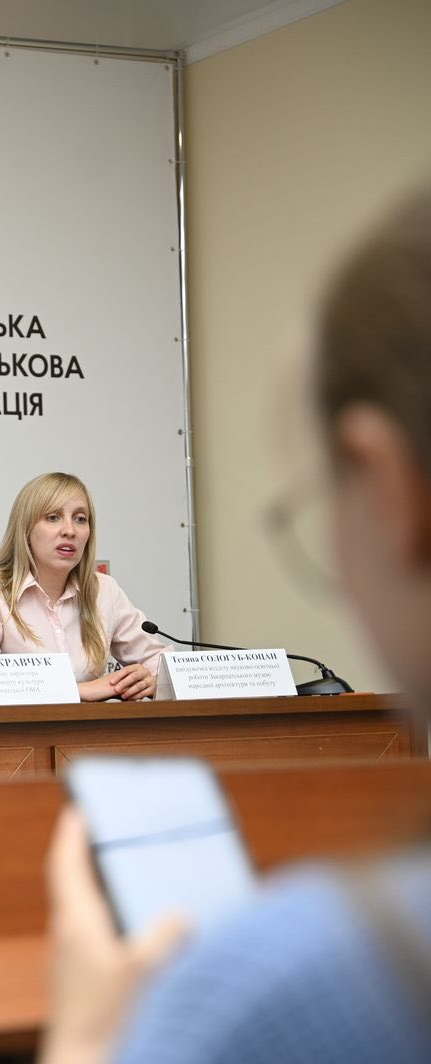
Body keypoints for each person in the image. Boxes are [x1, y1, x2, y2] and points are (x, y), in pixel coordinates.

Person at [41, 183, 431, 1063]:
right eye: (56, 518)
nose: (71, 532)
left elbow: (154, 654)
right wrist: (89, 689)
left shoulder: (271, 989)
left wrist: (87, 1035)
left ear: (389, 491)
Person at [0, 472, 166, 701]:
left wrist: (152, 681)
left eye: (80, 519)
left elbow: (160, 665)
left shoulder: (104, 590)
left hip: (94, 724)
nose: (69, 530)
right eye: (53, 517)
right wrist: (81, 691)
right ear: (25, 528)